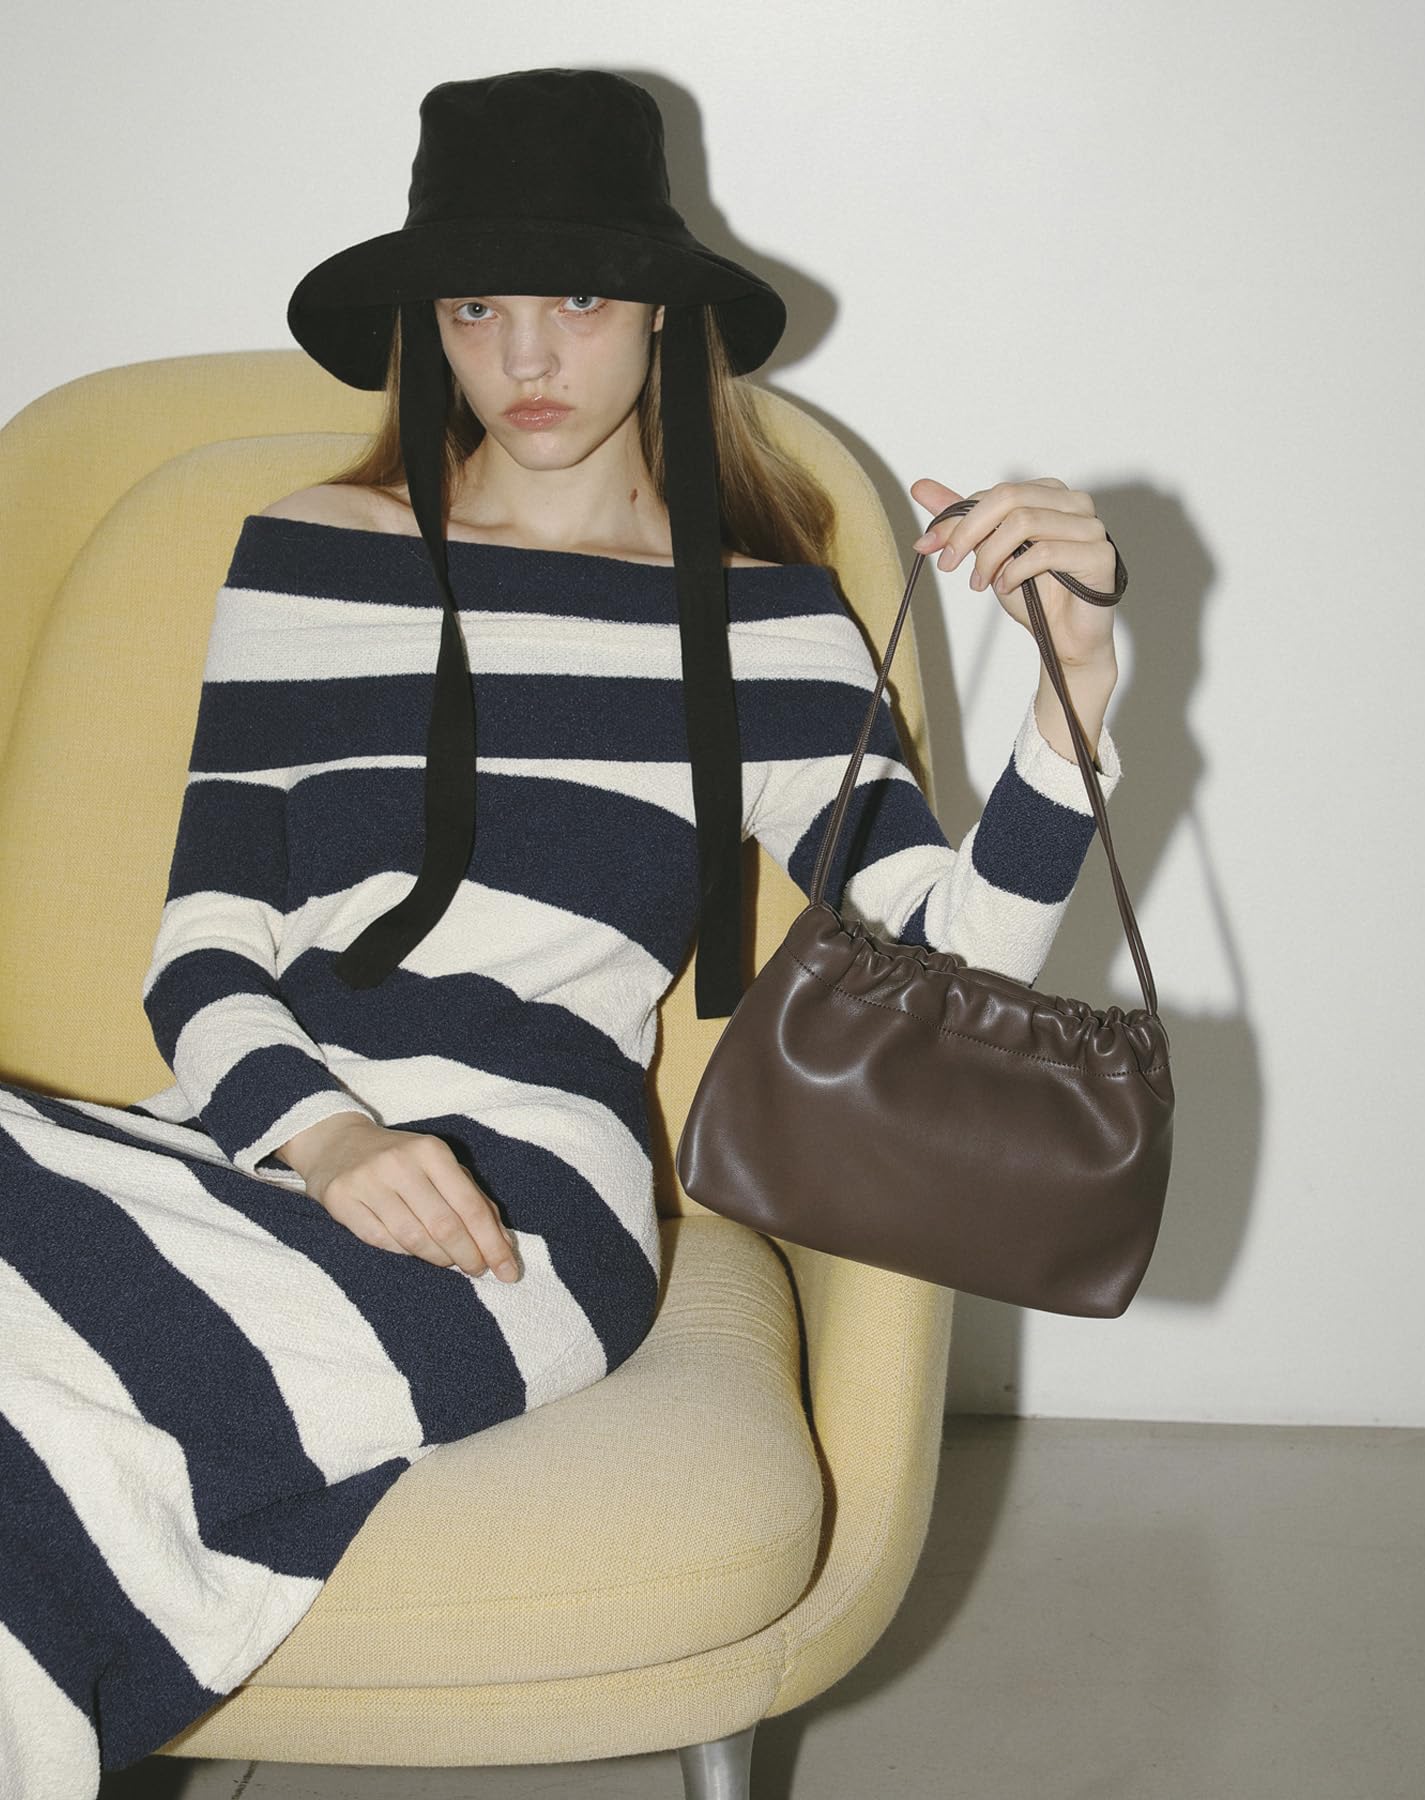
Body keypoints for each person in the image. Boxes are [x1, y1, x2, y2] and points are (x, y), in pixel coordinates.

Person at [0, 67, 1125, 1794]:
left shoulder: (765, 622)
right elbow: (204, 938)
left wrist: (1075, 699)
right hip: (257, 1129)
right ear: (428, 329)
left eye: (579, 304)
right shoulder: (309, 556)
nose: (526, 357)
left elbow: (947, 964)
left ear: (663, 315)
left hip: (520, 1197)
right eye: (477, 309)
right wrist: (323, 1132)